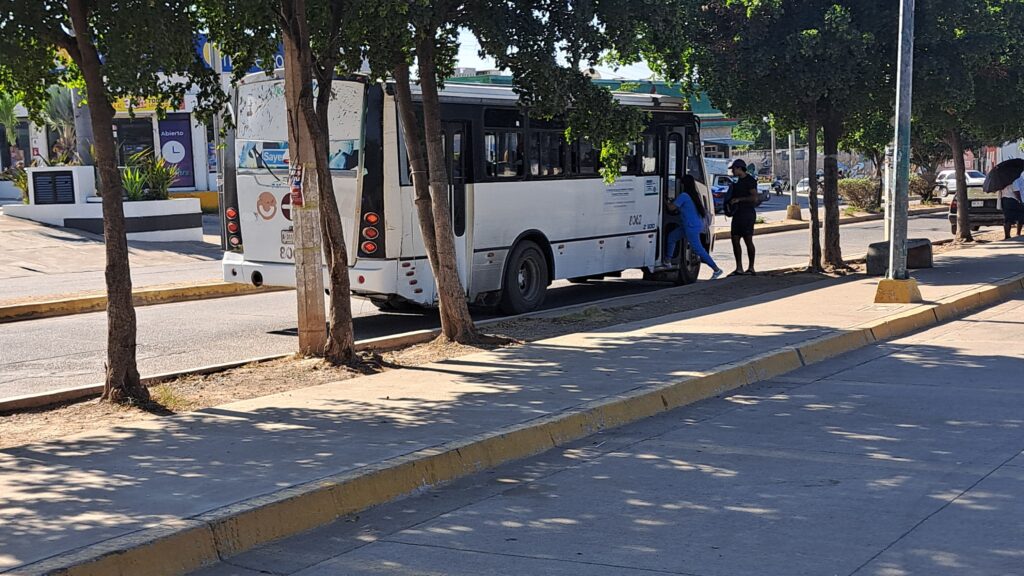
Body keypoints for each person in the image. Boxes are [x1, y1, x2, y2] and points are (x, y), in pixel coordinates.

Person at [664, 175, 723, 278]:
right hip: (691, 225)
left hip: (690, 227)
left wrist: (665, 200)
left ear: (683, 184)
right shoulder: (694, 195)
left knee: (698, 249)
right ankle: (667, 261)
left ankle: (716, 269)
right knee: (672, 237)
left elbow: (672, 208)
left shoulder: (684, 196)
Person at [727, 159, 759, 275]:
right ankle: (739, 267)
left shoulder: (749, 181)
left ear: (740, 168)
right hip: (737, 214)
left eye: (734, 169)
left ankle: (751, 267)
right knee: (735, 239)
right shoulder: (737, 182)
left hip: (747, 213)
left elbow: (754, 197)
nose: (733, 172)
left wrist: (739, 199)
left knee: (748, 240)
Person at [1002, 174, 1024, 239]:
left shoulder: (1003, 179)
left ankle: (1007, 235)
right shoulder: (1014, 178)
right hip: (1013, 199)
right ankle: (1018, 233)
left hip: (1005, 199)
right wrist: (1020, 200)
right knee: (1021, 216)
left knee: (1007, 219)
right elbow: (1016, 190)